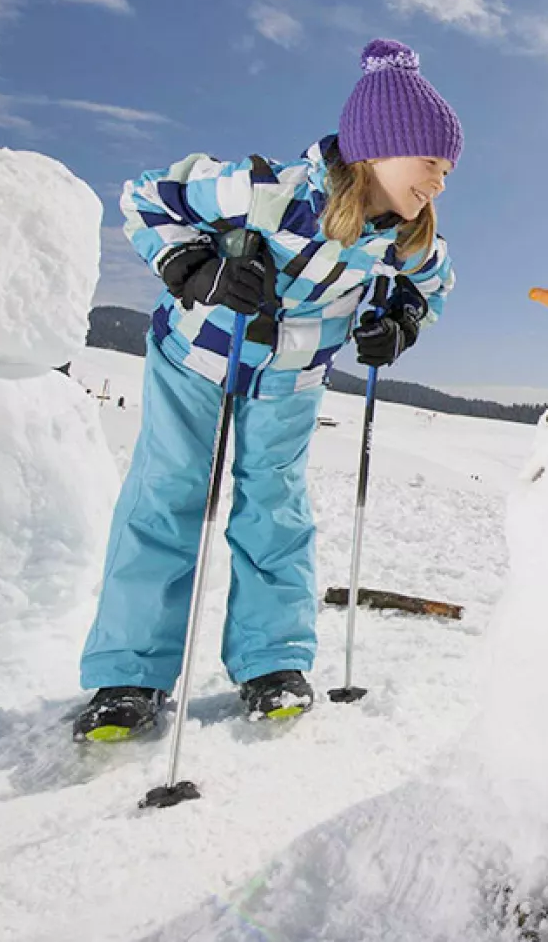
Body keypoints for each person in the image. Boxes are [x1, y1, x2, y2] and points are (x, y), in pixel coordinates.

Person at [73, 38, 461, 742]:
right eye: (430, 162)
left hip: (290, 382)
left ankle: (272, 660)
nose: (439, 181)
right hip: (198, 359)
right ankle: (129, 675)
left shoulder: (410, 240)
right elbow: (144, 198)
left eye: (447, 169)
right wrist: (191, 265)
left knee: (274, 510)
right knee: (167, 497)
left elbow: (432, 286)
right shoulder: (262, 191)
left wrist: (399, 319)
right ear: (378, 146)